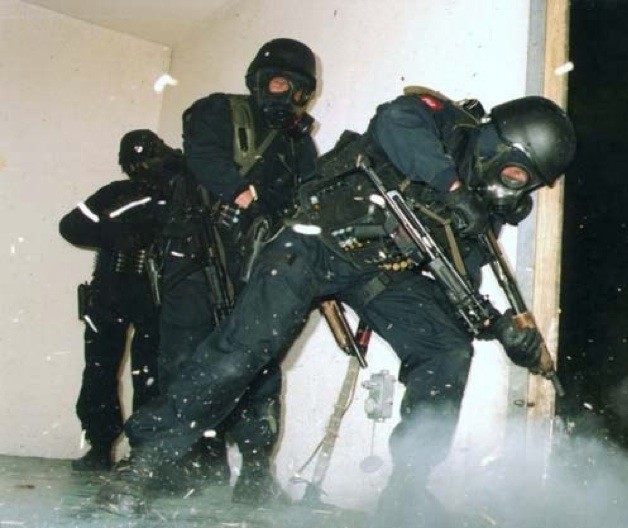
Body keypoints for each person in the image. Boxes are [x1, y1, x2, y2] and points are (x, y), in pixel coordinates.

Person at [94, 88, 576, 524]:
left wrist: (497, 327)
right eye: (517, 173)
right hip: (314, 240)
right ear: (501, 145)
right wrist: (451, 189)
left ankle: (407, 493)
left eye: (529, 184)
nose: (517, 188)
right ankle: (145, 463)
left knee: (446, 348)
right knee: (245, 347)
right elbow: (394, 122)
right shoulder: (442, 123)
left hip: (378, 273)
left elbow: (458, 289)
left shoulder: (482, 212)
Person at [150, 37, 319, 504]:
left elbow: (309, 195)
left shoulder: (298, 143)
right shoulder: (220, 110)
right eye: (279, 83)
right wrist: (246, 197)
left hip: (256, 263)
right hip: (200, 256)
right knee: (185, 357)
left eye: (297, 90)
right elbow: (203, 155)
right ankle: (184, 462)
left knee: (258, 363)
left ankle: (255, 470)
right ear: (259, 81)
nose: (287, 96)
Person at [59, 129, 179, 471]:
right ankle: (100, 447)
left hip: (154, 292)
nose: (142, 167)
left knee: (150, 373)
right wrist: (116, 235)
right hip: (111, 290)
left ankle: (143, 453)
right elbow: (70, 226)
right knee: (99, 370)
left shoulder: (176, 196)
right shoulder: (116, 193)